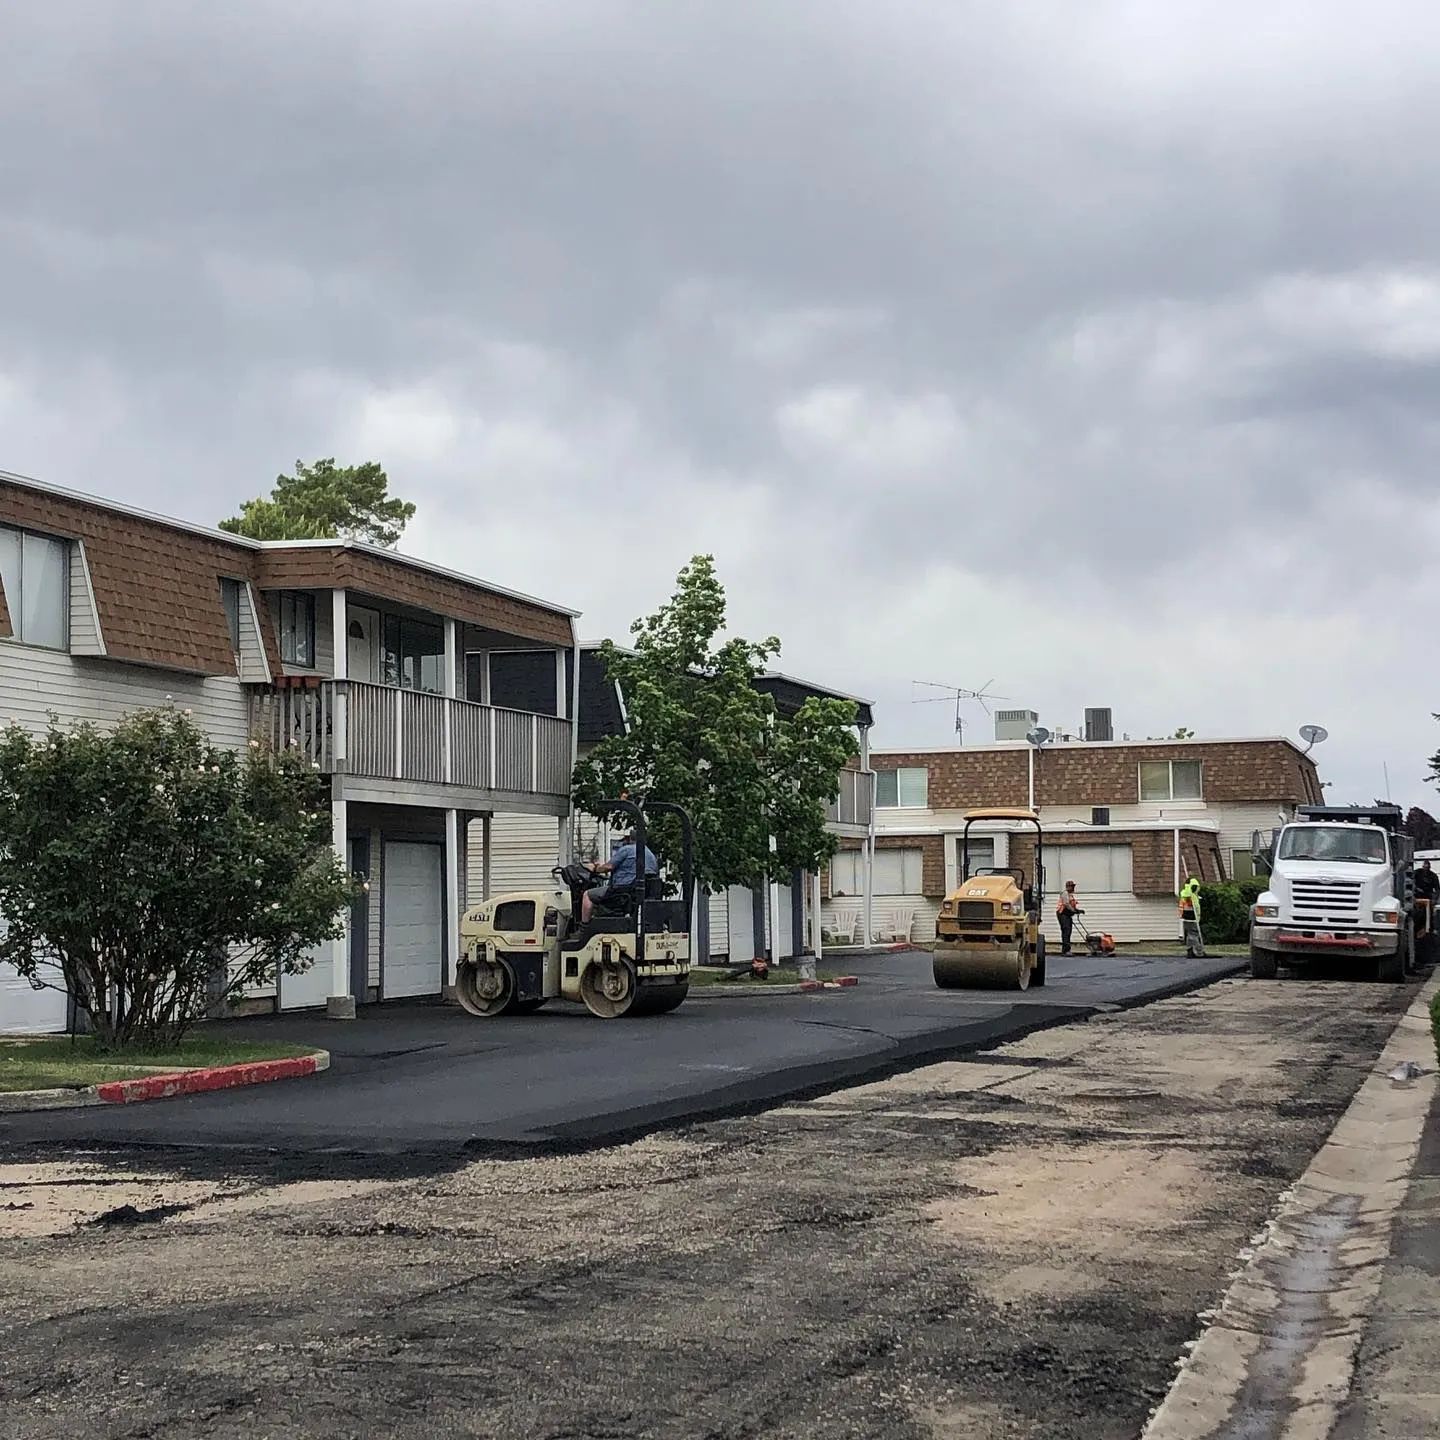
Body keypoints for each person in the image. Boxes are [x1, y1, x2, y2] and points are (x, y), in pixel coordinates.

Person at [582, 829, 659, 924]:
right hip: (638, 893)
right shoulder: (650, 855)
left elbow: (608, 867)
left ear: (630, 839)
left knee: (587, 895)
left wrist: (595, 868)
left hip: (621, 891)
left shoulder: (627, 850)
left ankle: (584, 927)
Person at [1056, 880, 1081, 955]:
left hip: (1067, 914)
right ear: (1068, 887)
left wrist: (1077, 910)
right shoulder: (1065, 893)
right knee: (1066, 931)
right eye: (1072, 886)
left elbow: (1071, 905)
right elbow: (1066, 904)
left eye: (1074, 886)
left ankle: (1066, 949)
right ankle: (1066, 950)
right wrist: (1073, 910)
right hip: (1062, 914)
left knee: (1068, 931)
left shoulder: (1070, 895)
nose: (1073, 888)